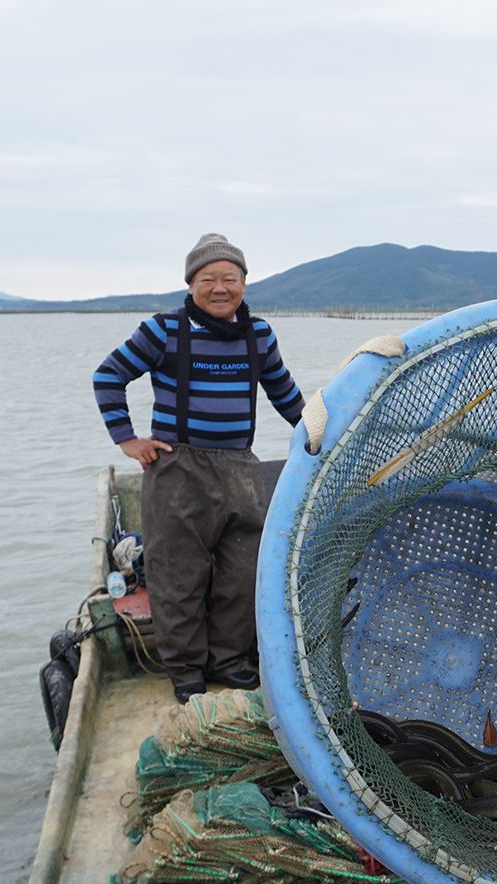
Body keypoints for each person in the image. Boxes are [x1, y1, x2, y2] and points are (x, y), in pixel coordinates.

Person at [92, 233, 305, 703]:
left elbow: (285, 394)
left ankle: (228, 659)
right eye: (208, 279)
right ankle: (186, 668)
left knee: (242, 571)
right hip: (177, 469)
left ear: (245, 283)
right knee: (177, 573)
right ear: (191, 286)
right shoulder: (163, 330)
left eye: (230, 278)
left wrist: (316, 434)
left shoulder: (260, 334)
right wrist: (128, 439)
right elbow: (109, 376)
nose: (220, 287)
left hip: (240, 469)